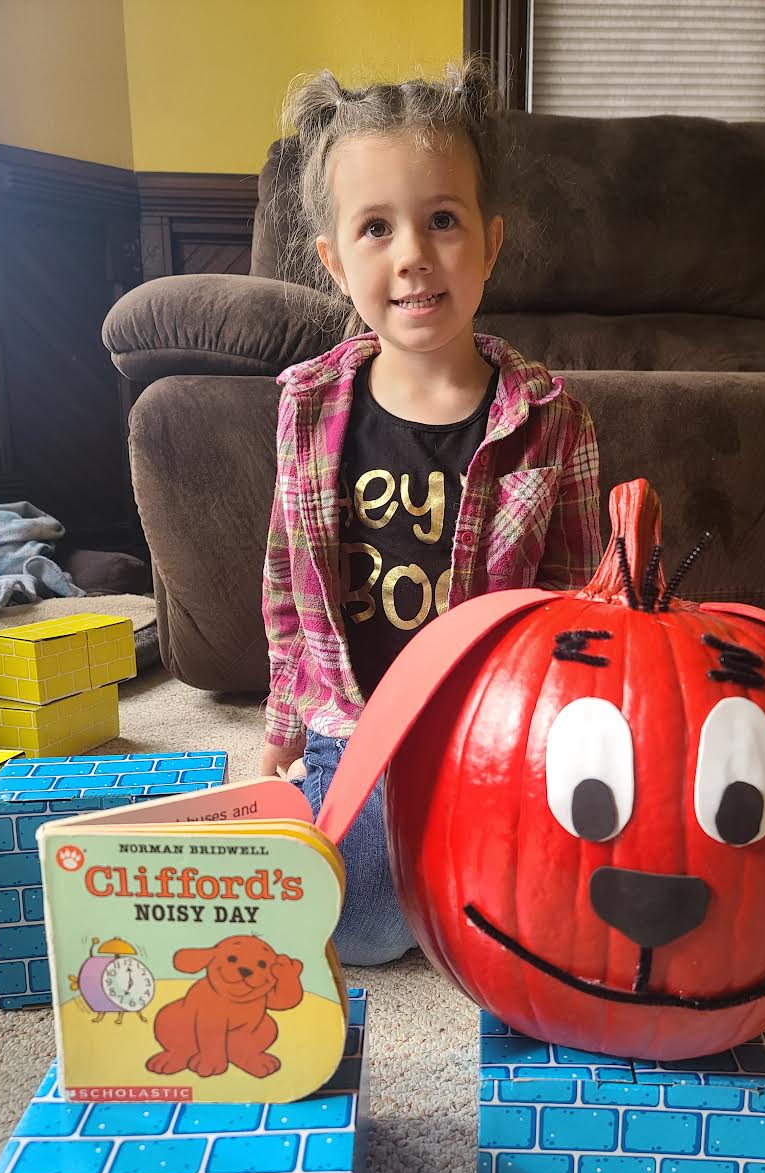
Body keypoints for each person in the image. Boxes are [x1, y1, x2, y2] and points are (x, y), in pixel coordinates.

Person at [260, 59, 602, 965]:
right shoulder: (307, 406)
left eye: (441, 221)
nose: (412, 253)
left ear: (489, 245)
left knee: (526, 916)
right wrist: (282, 734)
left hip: (487, 735)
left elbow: (577, 608)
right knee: (365, 931)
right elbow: (287, 593)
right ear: (335, 262)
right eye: (376, 228)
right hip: (357, 727)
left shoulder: (551, 421)